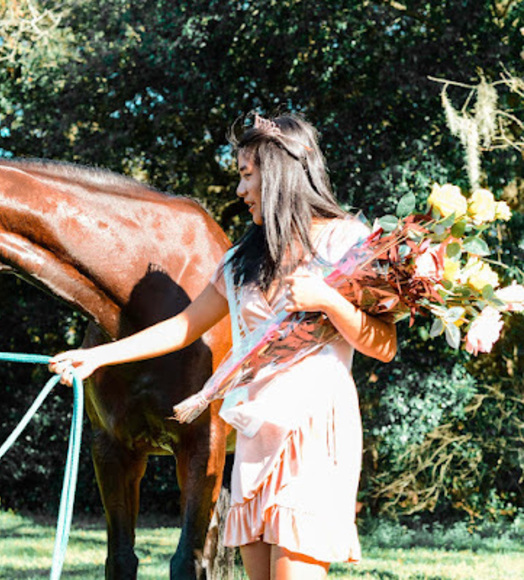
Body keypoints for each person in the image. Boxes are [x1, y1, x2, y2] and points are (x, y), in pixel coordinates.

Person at [49, 114, 397, 580]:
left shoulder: (346, 241)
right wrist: (96, 356)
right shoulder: (242, 259)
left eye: (247, 175)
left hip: (314, 431)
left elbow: (384, 345)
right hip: (256, 433)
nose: (240, 189)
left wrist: (328, 300)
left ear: (279, 174)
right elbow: (182, 327)